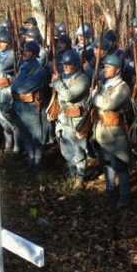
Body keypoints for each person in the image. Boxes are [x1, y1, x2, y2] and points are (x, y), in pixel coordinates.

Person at [92, 54, 133, 209]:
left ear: (118, 71)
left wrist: (95, 96)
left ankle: (124, 196)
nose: (105, 70)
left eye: (108, 67)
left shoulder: (123, 88)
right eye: (104, 67)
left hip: (115, 132)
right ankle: (110, 189)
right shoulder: (103, 84)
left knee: (120, 164)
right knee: (106, 162)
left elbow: (109, 104)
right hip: (102, 128)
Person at [51, 50, 91, 187]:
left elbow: (69, 96)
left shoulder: (82, 79)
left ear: (77, 65)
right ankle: (71, 174)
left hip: (77, 121)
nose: (65, 66)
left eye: (69, 64)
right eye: (64, 64)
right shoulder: (62, 77)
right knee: (66, 151)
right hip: (63, 119)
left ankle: (80, 178)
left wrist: (57, 83)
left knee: (79, 151)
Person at [11, 41, 48, 169]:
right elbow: (16, 86)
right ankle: (30, 161)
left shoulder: (38, 70)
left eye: (27, 51)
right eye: (24, 50)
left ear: (34, 54)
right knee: (25, 136)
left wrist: (15, 84)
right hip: (21, 106)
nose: (24, 53)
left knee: (36, 138)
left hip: (33, 107)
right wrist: (15, 85)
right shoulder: (23, 67)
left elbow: (21, 88)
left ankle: (37, 164)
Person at [0, 31, 19, 153]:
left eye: (3, 42)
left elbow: (1, 67)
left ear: (9, 44)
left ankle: (17, 147)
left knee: (12, 122)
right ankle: (8, 144)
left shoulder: (12, 55)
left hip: (6, 93)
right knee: (3, 122)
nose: (0, 44)